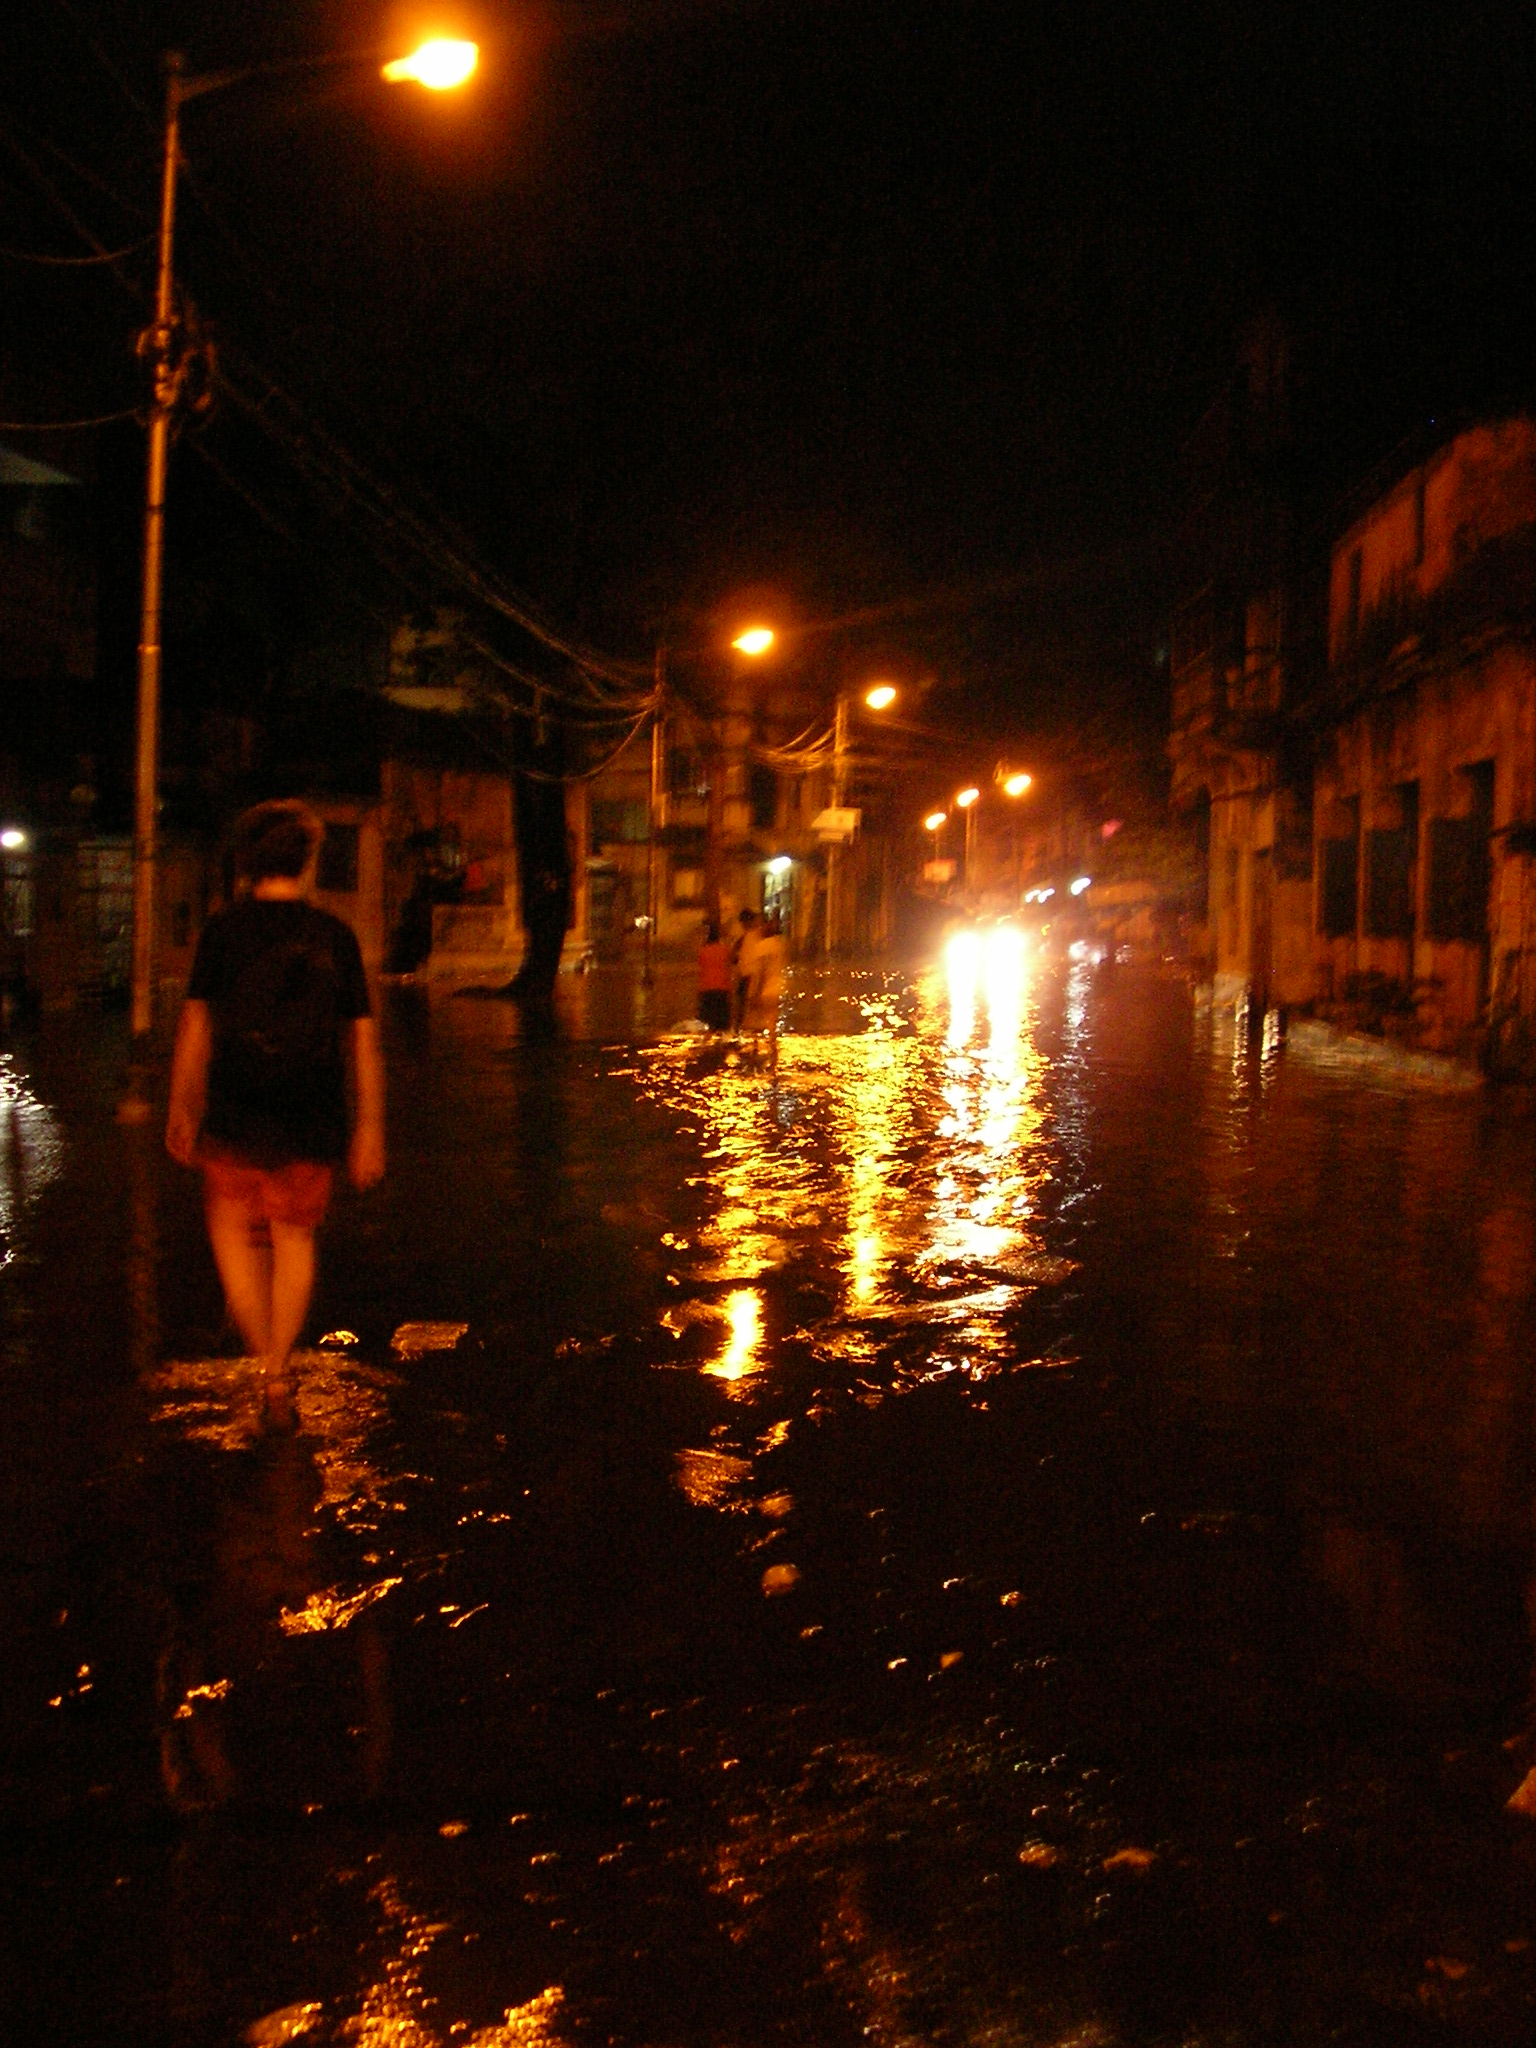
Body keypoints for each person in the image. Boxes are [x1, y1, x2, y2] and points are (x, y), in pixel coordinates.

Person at [166, 801, 385, 1432]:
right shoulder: (335, 937)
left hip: (236, 1111)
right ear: (308, 862)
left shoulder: (222, 932)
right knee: (293, 1239)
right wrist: (368, 1126)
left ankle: (264, 1358)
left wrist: (182, 1105)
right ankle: (278, 1368)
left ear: (247, 863)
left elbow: (195, 1026)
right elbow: (363, 1041)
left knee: (232, 1232)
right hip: (312, 1116)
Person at [741, 908, 785, 1066]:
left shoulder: (761, 947)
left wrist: (752, 993)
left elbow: (758, 974)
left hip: (763, 991)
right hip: (777, 990)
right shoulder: (779, 945)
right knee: (772, 1029)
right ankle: (774, 1060)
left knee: (753, 1027)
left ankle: (754, 1056)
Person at [697, 920, 733, 1032]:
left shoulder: (703, 951)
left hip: (707, 988)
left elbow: (701, 969)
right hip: (722, 988)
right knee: (722, 1025)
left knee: (708, 1024)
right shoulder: (724, 950)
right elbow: (729, 966)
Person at [733, 908, 762, 1033]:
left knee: (744, 1004)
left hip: (749, 974)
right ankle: (743, 1029)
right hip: (747, 974)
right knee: (744, 1004)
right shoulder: (750, 936)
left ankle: (742, 1029)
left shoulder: (750, 936)